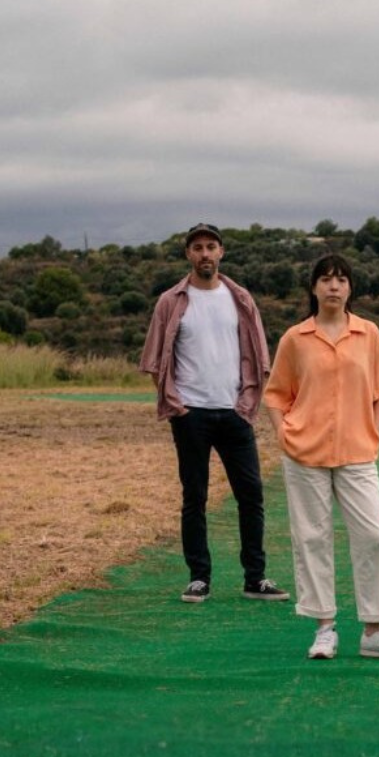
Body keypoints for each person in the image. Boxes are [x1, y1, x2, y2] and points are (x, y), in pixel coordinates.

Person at [264, 254, 379, 662]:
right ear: (313, 287)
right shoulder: (295, 338)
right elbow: (276, 394)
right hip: (304, 452)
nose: (334, 286)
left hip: (357, 451)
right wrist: (282, 433)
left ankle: (375, 631)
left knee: (374, 536)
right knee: (312, 538)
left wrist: (372, 432)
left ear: (350, 288)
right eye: (326, 279)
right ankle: (324, 629)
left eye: (342, 280)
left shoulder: (369, 334)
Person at [139, 222, 289, 605]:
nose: (204, 253)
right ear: (188, 254)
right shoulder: (171, 301)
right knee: (195, 496)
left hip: (235, 412)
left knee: (251, 495)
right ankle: (198, 578)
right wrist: (177, 404)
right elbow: (155, 360)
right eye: (197, 248)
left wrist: (247, 400)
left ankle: (255, 578)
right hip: (191, 415)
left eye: (211, 246)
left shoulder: (240, 298)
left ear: (221, 252)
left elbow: (259, 354)